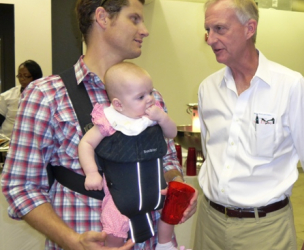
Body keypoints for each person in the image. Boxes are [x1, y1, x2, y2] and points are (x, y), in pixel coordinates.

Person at [1, 1, 197, 250]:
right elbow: (21, 186)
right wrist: (72, 241)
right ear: (102, 18)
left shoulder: (151, 97)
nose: (145, 30)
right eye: (135, 19)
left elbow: (167, 162)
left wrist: (177, 186)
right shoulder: (46, 95)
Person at [195, 0, 304, 249]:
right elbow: (211, 154)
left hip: (265, 230)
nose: (210, 39)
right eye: (208, 30)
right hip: (210, 224)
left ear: (250, 28)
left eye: (219, 28)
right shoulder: (208, 89)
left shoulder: (291, 86)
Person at [78, 62, 178, 249]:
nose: (149, 99)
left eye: (150, 92)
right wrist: (91, 172)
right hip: (120, 193)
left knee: (171, 205)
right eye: (140, 96)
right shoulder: (109, 121)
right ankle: (112, 247)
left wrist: (163, 118)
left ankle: (165, 243)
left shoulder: (152, 119)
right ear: (118, 104)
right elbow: (86, 143)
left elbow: (172, 133)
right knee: (115, 225)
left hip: (155, 187)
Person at [0, 60, 42, 139]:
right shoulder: (8, 96)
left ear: (36, 77)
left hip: (32, 140)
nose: (22, 79)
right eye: (19, 76)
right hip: (7, 141)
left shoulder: (44, 95)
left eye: (26, 76)